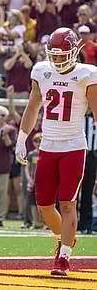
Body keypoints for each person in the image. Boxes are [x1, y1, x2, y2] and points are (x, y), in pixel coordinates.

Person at [15, 27, 97, 276]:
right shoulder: (41, 70)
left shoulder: (87, 74)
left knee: (68, 204)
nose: (58, 59)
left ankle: (63, 257)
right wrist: (22, 139)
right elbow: (32, 107)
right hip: (47, 146)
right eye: (55, 54)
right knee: (44, 207)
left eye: (63, 54)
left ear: (74, 52)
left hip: (73, 146)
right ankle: (67, 239)